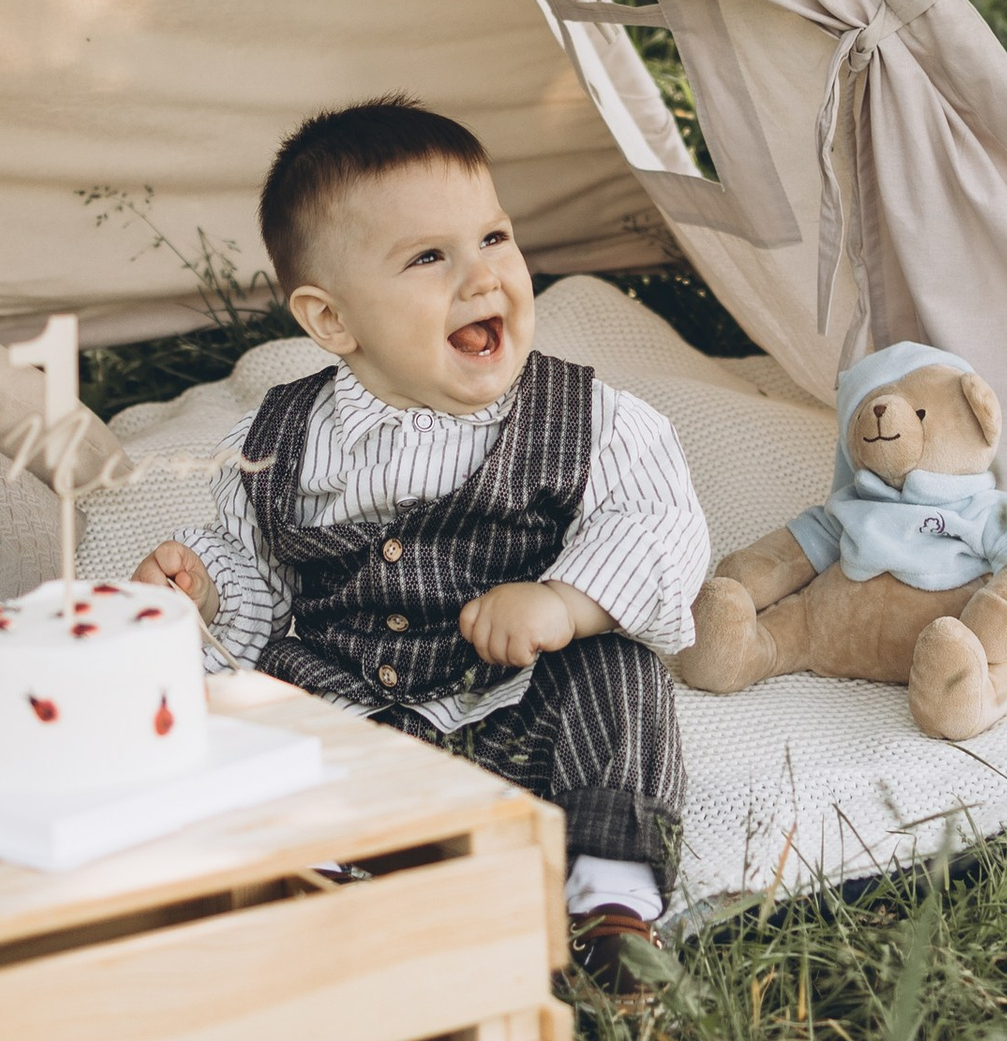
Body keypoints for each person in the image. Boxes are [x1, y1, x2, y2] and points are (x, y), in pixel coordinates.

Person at [136, 97, 708, 979]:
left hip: (513, 708)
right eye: (429, 257)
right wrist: (204, 589)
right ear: (332, 322)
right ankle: (319, 875)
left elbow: (662, 530)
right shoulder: (281, 440)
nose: (482, 278)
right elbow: (261, 574)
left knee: (619, 674)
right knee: (256, 702)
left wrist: (565, 602)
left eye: (494, 238)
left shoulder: (588, 421)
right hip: (354, 709)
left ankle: (610, 898)